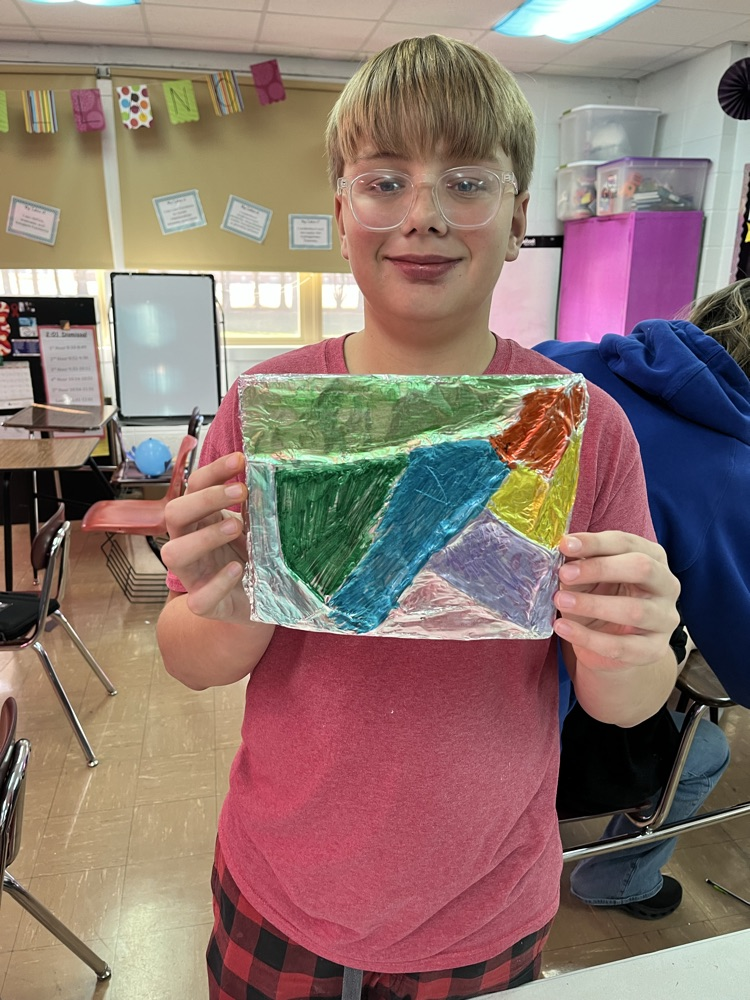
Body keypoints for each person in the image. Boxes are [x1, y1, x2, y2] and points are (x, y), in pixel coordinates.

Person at [157, 36, 680, 1000]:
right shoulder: (269, 410)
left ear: (521, 215)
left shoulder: (584, 429)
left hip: (484, 908)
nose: (425, 216)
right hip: (279, 888)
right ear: (341, 211)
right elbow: (194, 657)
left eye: (468, 182)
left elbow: (625, 700)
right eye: (385, 181)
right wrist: (220, 602)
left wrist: (640, 640)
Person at [536, 280, 750, 919]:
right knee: (706, 745)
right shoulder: (723, 472)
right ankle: (617, 880)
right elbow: (739, 668)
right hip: (536, 701)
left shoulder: (558, 356)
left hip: (425, 655)